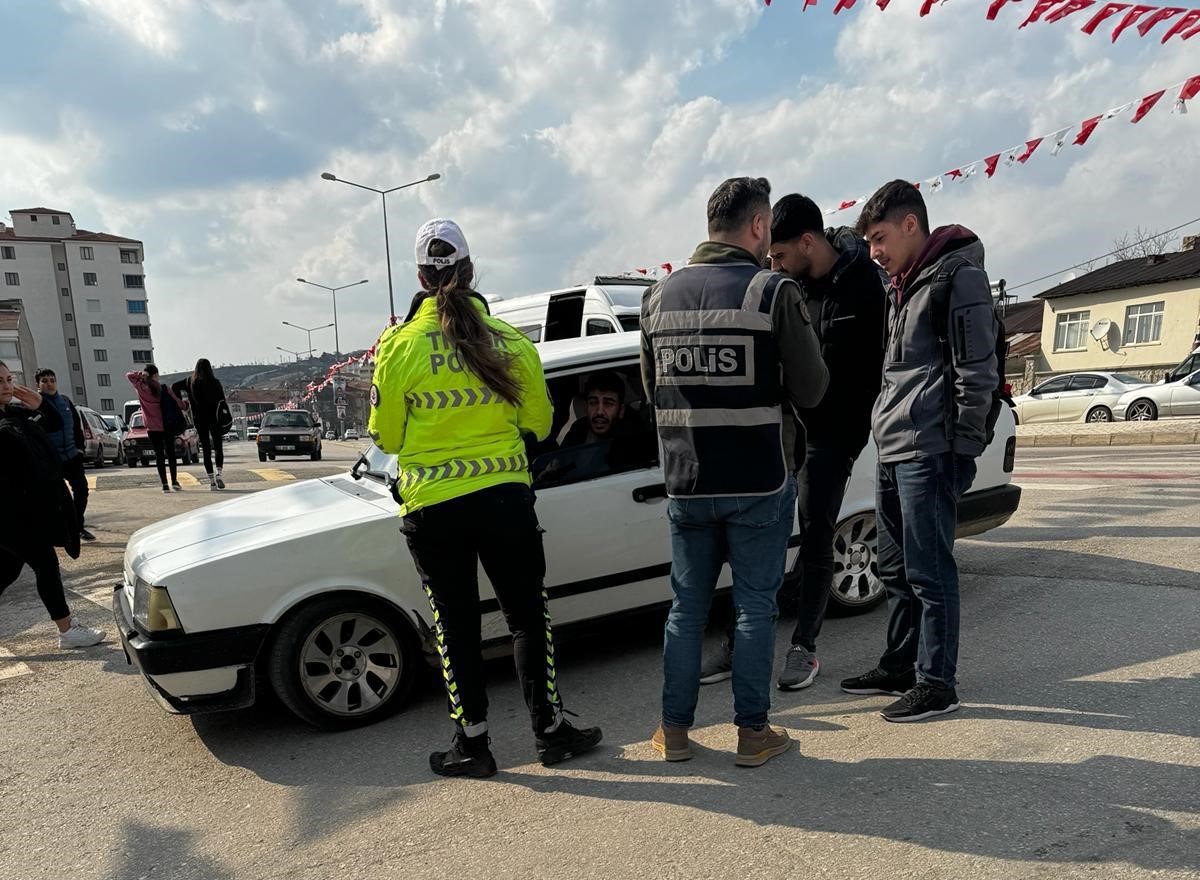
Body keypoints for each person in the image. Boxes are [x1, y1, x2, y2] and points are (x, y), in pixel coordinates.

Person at [369, 218, 603, 779]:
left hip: (433, 508)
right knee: (527, 616)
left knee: (455, 627)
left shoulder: (397, 349)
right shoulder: (511, 342)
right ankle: (549, 731)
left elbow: (387, 438)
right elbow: (541, 424)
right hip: (504, 501)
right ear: (471, 272)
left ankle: (472, 744)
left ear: (421, 278)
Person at [640, 177, 828, 767]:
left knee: (686, 608)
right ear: (757, 225)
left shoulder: (656, 297)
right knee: (753, 608)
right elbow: (814, 389)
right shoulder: (772, 292)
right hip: (758, 482)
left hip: (686, 484)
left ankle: (673, 732)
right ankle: (752, 735)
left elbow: (651, 391)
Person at [697, 194, 888, 690]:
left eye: (779, 255)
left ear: (808, 242)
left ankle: (805, 647)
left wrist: (848, 428)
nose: (774, 264)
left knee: (817, 532)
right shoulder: (786, 286)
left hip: (833, 435)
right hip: (783, 432)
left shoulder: (864, 283)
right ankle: (737, 646)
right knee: (757, 536)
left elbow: (867, 371)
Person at [841, 180, 999, 722]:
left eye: (880, 238)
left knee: (931, 572)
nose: (875, 252)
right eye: (868, 243)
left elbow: (977, 373)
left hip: (931, 448)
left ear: (912, 225)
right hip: (894, 446)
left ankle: (937, 683)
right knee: (894, 568)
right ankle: (900, 665)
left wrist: (962, 451)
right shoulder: (902, 284)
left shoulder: (958, 278)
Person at [0, 361, 106, 648]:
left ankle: (67, 631)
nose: (8, 386)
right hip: (9, 514)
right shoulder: (7, 421)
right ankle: (67, 630)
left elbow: (54, 424)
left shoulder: (13, 412)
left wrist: (41, 408)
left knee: (7, 570)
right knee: (46, 563)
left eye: (9, 379)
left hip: (22, 511)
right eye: (0, 381)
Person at [33, 368, 94, 542]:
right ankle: (61, 529)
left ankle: (77, 526)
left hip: (72, 456)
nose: (49, 383)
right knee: (58, 498)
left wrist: (80, 448)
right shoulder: (35, 405)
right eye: (45, 381)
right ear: (38, 385)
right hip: (52, 460)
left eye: (52, 380)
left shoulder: (66, 402)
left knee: (82, 491)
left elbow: (76, 427)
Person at [558, 370, 656, 472]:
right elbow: (558, 465)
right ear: (586, 407)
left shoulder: (632, 444)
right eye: (593, 402)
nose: (599, 411)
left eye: (608, 404)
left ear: (621, 410)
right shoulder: (578, 430)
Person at [127, 364, 188, 493]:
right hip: (166, 426)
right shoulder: (163, 389)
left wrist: (141, 375)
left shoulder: (141, 388)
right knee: (171, 454)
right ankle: (175, 481)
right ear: (155, 375)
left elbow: (129, 375)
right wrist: (185, 405)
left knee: (159, 455)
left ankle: (164, 484)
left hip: (152, 428)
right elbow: (178, 403)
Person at [173, 358, 231, 490]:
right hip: (215, 419)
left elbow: (174, 387)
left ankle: (211, 482)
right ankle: (219, 474)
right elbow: (222, 401)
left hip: (200, 420)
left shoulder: (190, 381)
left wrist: (182, 404)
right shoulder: (215, 382)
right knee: (218, 447)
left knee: (205, 449)